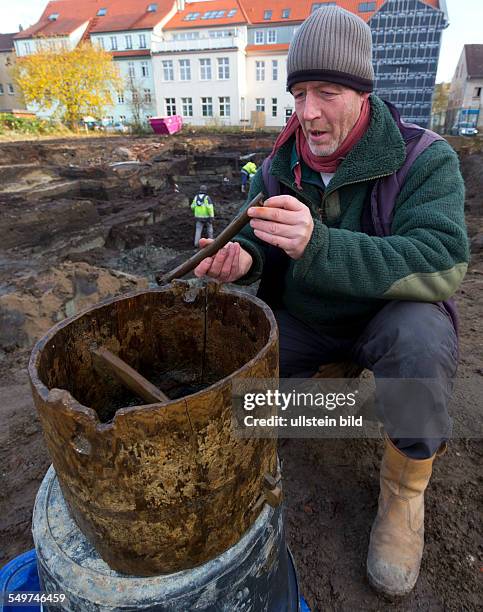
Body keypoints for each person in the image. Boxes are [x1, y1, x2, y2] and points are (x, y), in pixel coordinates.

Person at [193, 5, 469, 598]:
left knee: (419, 343)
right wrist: (241, 259)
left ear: (363, 94)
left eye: (326, 91)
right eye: (298, 93)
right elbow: (253, 235)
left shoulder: (424, 158)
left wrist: (320, 244)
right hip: (311, 323)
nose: (307, 112)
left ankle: (403, 497)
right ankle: (326, 386)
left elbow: (443, 261)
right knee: (241, 376)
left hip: (385, 320)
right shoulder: (277, 167)